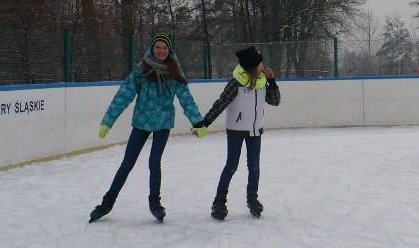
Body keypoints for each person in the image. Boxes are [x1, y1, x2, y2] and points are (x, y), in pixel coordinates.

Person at [90, 32, 205, 223]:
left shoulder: (175, 71)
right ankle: (107, 202)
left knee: (154, 162)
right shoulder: (141, 70)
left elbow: (186, 99)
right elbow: (123, 96)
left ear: (169, 50)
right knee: (127, 163)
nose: (161, 51)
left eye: (165, 48)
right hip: (141, 123)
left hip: (163, 124)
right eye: (158, 47)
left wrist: (197, 122)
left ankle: (155, 203)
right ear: (152, 48)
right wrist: (107, 122)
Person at [193, 46, 281, 220]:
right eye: (260, 62)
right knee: (231, 166)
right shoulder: (236, 82)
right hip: (236, 131)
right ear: (253, 66)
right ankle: (219, 202)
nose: (263, 65)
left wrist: (273, 81)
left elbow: (275, 101)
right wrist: (205, 122)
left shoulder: (263, 81)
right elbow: (221, 102)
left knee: (254, 166)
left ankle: (252, 198)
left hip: (255, 130)